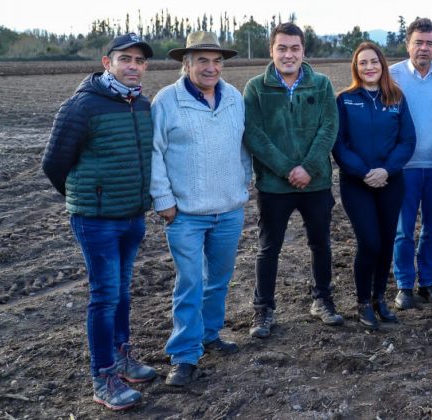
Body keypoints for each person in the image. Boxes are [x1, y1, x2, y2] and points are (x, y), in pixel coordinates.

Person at [42, 34, 157, 411]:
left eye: (139, 61)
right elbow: (54, 164)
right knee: (104, 296)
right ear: (107, 62)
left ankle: (122, 356)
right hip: (97, 221)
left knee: (122, 291)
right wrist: (87, 199)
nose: (133, 66)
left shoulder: (140, 104)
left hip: (132, 216)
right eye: (126, 59)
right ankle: (102, 375)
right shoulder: (82, 106)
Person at [151, 31, 251, 386]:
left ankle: (210, 333)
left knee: (219, 279)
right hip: (186, 214)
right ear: (187, 63)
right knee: (190, 281)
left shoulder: (234, 98)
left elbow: (242, 146)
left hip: (228, 208)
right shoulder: (167, 101)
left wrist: (243, 182)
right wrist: (163, 199)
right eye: (203, 61)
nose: (211, 68)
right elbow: (154, 153)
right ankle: (184, 354)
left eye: (217, 61)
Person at [244, 22, 343, 337]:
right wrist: (288, 169)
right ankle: (264, 310)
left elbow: (329, 127)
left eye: (295, 48)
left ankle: (322, 299)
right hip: (274, 186)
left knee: (321, 244)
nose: (288, 55)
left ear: (304, 50)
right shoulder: (256, 88)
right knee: (268, 248)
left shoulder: (322, 84)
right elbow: (255, 135)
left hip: (315, 183)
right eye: (282, 48)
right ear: (271, 51)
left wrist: (309, 167)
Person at [333, 42, 416, 329]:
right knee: (369, 242)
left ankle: (380, 298)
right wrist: (365, 171)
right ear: (355, 68)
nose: (369, 67)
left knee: (386, 244)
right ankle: (362, 303)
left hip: (391, 183)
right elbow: (339, 144)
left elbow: (407, 141)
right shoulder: (344, 99)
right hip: (357, 184)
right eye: (362, 63)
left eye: (374, 62)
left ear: (382, 65)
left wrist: (386, 170)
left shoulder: (396, 98)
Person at [389, 18, 432, 310]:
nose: (424, 48)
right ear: (408, 44)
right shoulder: (391, 76)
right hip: (403, 168)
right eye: (418, 42)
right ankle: (404, 285)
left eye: (430, 43)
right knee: (404, 230)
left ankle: (428, 282)